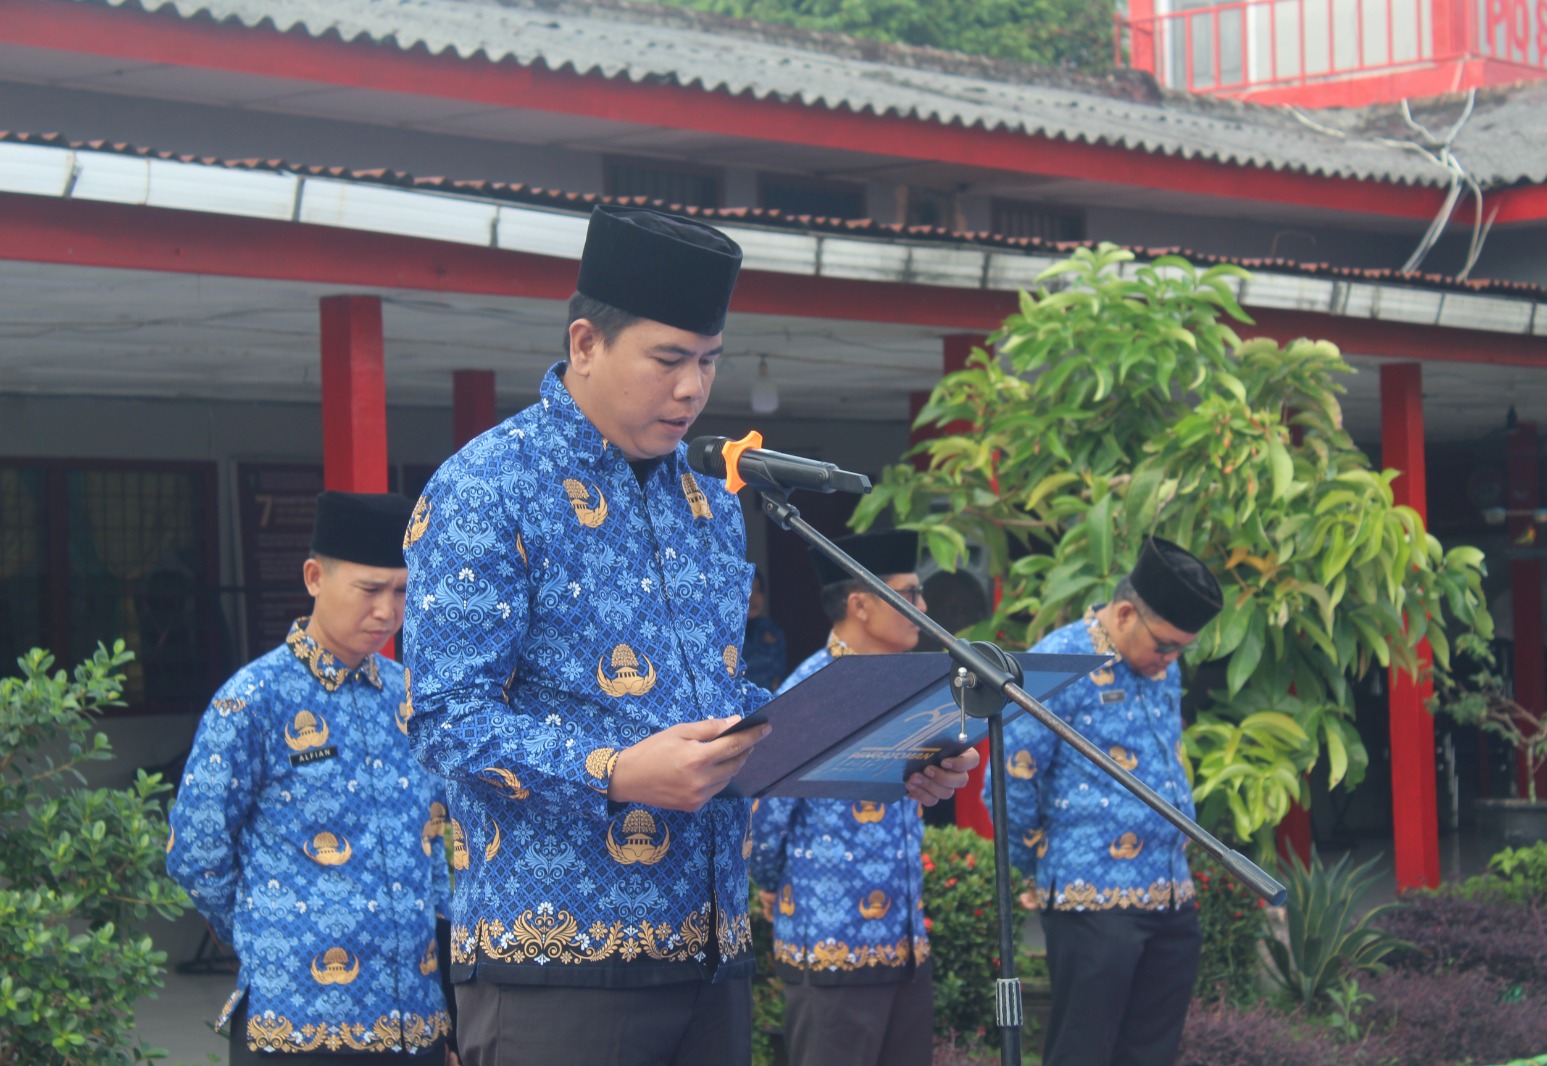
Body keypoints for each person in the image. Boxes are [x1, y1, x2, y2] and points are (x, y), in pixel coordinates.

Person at [400, 204, 976, 1066]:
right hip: (556, 961)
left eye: (709, 362)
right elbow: (443, 718)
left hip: (710, 953)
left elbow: (726, 705)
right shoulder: (488, 487)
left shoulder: (709, 501)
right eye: (668, 360)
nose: (692, 390)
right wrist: (615, 771)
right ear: (586, 344)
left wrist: (884, 754)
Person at [167, 491, 455, 1065]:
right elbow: (195, 852)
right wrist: (269, 931)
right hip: (297, 1026)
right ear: (314, 577)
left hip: (415, 1024)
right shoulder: (253, 700)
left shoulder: (409, 699)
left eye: (401, 591)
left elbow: (435, 851)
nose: (387, 611)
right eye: (370, 589)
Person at [986, 537, 1223, 1066]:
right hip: (1091, 899)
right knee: (1084, 1051)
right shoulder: (1058, 661)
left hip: (1170, 892)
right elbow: (1007, 778)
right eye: (1164, 646)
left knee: (1152, 1052)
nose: (1169, 661)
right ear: (1124, 613)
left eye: (1181, 651)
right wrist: (1035, 864)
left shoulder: (1162, 665)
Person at [750, 530, 946, 1066]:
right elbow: (764, 819)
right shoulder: (811, 692)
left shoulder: (906, 686)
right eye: (910, 594)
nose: (924, 608)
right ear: (860, 604)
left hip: (905, 946)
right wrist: (770, 885)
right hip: (831, 948)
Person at [743, 570, 789, 691]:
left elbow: (779, 677)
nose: (753, 597)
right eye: (748, 590)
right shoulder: (725, 635)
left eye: (757, 590)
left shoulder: (772, 630)